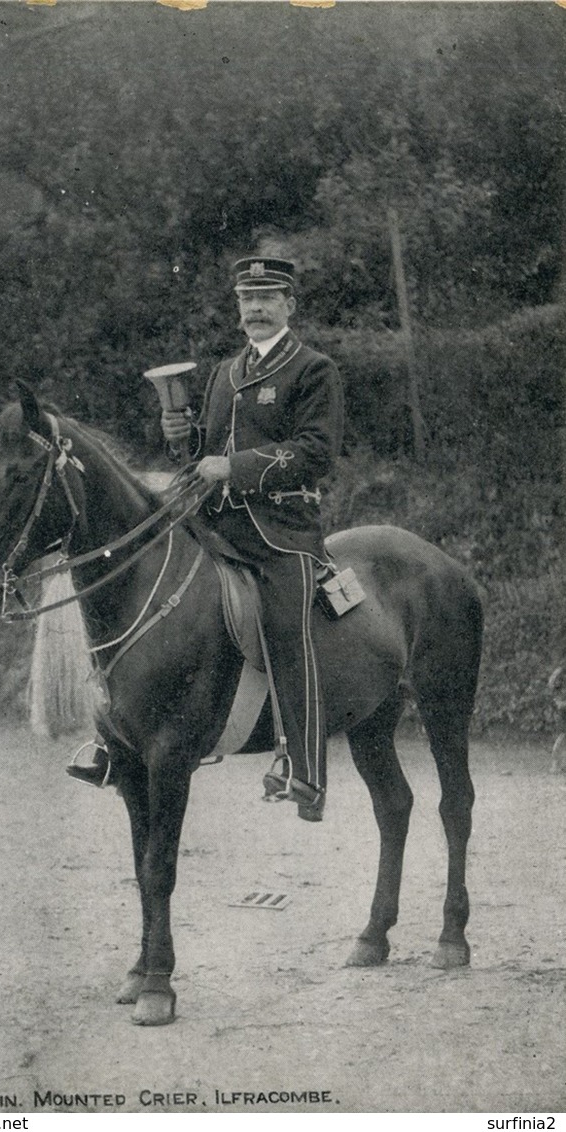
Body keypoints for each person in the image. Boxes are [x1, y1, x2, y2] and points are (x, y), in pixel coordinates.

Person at [162, 256, 344, 821]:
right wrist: (182, 439)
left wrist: (232, 467)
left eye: (268, 298)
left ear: (290, 305)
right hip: (215, 519)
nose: (256, 309)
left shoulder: (314, 370)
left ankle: (305, 768)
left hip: (280, 529)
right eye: (247, 300)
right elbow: (205, 452)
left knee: (288, 629)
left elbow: (316, 452)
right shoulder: (225, 371)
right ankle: (119, 738)